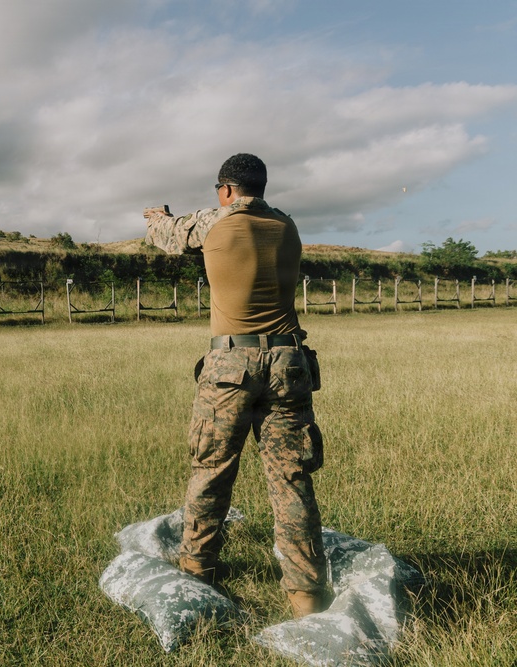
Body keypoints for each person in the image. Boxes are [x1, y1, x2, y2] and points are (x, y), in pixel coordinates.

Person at [143, 153, 329, 618]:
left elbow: (168, 237)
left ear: (226, 190)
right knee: (292, 480)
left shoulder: (214, 220)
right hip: (289, 361)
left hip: (230, 363)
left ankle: (196, 571)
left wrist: (156, 218)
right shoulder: (288, 226)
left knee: (212, 470)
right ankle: (306, 596)